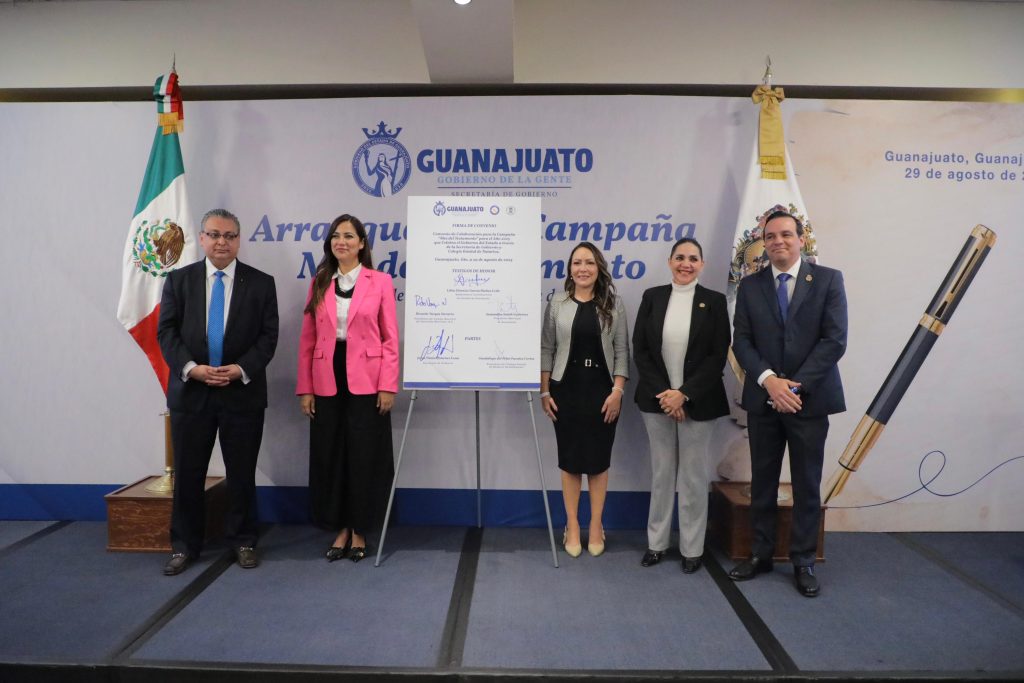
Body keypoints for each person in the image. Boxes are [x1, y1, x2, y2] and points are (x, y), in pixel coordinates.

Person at [728, 211, 847, 597]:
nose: (778, 241)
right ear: (763, 242)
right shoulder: (750, 286)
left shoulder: (828, 280)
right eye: (770, 236)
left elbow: (834, 340)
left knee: (806, 483)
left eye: (785, 234)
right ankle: (760, 554)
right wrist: (769, 381)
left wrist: (793, 389)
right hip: (764, 399)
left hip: (808, 401)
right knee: (762, 480)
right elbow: (742, 340)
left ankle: (803, 560)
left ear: (801, 239)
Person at [157, 208, 279, 575]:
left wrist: (241, 369)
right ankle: (184, 546)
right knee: (188, 474)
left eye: (229, 235)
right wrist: (191, 368)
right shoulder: (178, 280)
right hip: (191, 393)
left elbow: (268, 337)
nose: (221, 242)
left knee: (241, 473)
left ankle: (243, 540)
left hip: (241, 394)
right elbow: (167, 333)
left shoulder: (261, 283)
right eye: (214, 235)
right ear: (202, 238)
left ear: (239, 240)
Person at [296, 214, 398, 563]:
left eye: (349, 236)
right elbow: (308, 339)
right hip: (326, 377)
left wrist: (388, 385)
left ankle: (360, 528)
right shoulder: (320, 281)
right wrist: (306, 388)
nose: (342, 241)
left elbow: (390, 339)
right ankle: (339, 527)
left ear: (362, 243)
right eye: (336, 236)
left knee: (364, 455)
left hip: (368, 380)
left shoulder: (380, 281)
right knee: (331, 454)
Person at [632, 238, 730, 574]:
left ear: (702, 264)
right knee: (662, 474)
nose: (685, 264)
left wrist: (684, 394)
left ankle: (692, 548)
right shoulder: (652, 297)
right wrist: (667, 394)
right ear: (670, 261)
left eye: (692, 258)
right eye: (679, 257)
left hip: (699, 403)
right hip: (656, 401)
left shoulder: (714, 302)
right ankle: (656, 543)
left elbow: (717, 356)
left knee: (693, 476)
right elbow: (641, 351)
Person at [540, 242, 629, 558]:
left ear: (598, 267)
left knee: (598, 462)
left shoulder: (613, 304)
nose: (583, 268)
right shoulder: (557, 304)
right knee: (570, 461)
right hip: (565, 389)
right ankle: (572, 525)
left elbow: (622, 351)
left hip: (603, 392)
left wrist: (617, 391)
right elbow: (547, 349)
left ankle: (595, 524)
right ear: (569, 269)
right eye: (577, 263)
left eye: (589, 262)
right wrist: (545, 390)